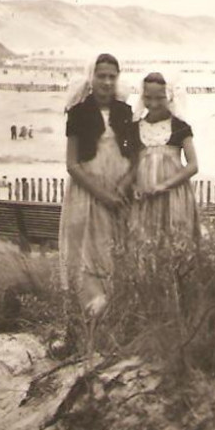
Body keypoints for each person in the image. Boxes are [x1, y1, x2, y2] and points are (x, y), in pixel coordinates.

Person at [59, 54, 134, 316]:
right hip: (88, 194)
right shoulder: (78, 113)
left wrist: (123, 186)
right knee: (86, 254)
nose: (106, 82)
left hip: (120, 195)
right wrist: (103, 195)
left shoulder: (125, 112)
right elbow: (72, 164)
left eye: (112, 77)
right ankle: (86, 317)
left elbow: (134, 156)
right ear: (91, 78)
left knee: (116, 254)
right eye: (101, 76)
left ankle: (114, 316)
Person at [126, 72, 199, 244]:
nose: (153, 104)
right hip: (146, 196)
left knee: (175, 240)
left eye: (160, 98)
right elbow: (131, 165)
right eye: (148, 98)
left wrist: (164, 185)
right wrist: (133, 186)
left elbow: (193, 165)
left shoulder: (180, 127)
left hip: (173, 194)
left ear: (169, 96)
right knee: (145, 242)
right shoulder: (134, 128)